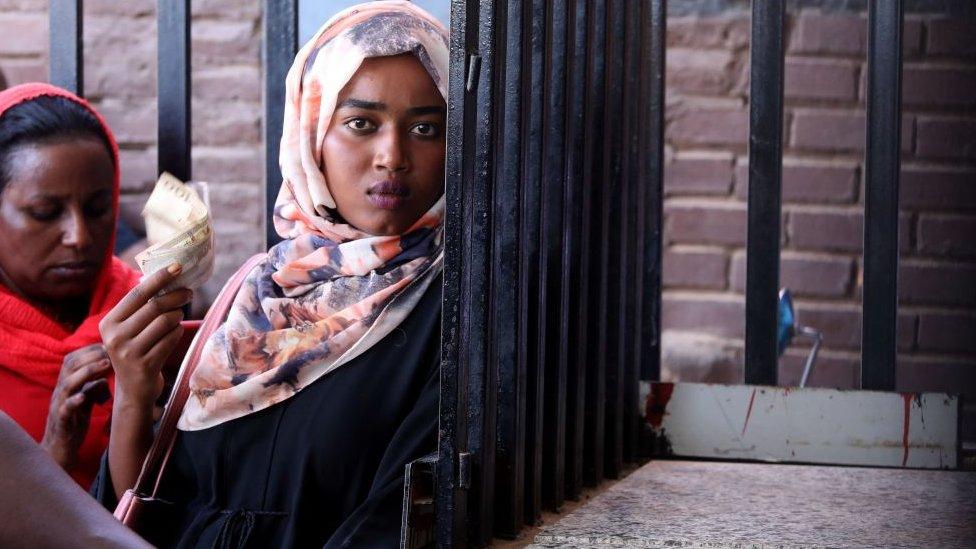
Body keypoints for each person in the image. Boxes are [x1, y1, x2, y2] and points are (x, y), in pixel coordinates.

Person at [95, 2, 449, 546]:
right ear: (311, 136)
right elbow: (150, 510)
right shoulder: (257, 289)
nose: (392, 156)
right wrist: (134, 397)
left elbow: (394, 524)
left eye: (425, 128)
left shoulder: (448, 308)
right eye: (360, 123)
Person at [0, 83, 141, 487]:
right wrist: (55, 451)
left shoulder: (142, 312)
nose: (79, 236)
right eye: (45, 213)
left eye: (99, 210)